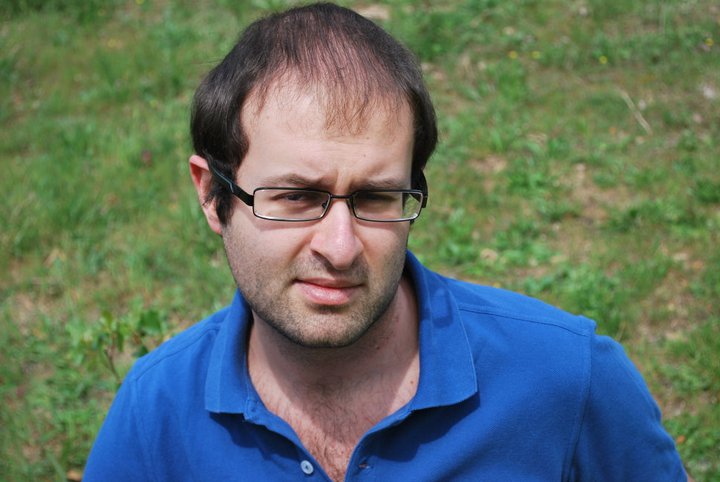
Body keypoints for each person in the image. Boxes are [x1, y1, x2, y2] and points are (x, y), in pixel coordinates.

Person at [84, 3, 688, 481]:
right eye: (296, 197)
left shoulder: (570, 380)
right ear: (212, 194)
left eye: (375, 198)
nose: (340, 247)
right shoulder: (154, 416)